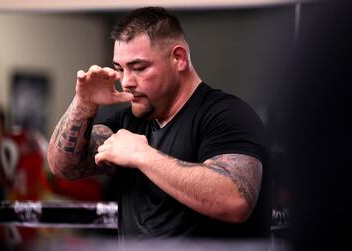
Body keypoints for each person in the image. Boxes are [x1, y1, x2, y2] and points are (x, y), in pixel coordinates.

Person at [47, 6, 271, 241]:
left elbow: (235, 201)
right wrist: (84, 103)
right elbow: (63, 167)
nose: (126, 82)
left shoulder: (227, 115)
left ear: (178, 58)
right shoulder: (128, 122)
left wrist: (143, 156)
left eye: (139, 68)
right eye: (119, 69)